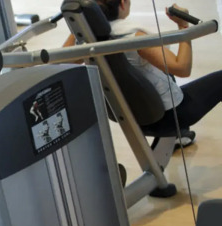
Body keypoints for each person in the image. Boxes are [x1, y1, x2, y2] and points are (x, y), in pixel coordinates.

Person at [66, 0, 222, 143]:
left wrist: (80, 25)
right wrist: (183, 26)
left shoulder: (86, 40)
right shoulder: (134, 37)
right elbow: (182, 68)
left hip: (129, 117)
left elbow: (61, 62)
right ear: (122, 3)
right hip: (169, 117)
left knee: (161, 67)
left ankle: (177, 137)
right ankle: (176, 131)